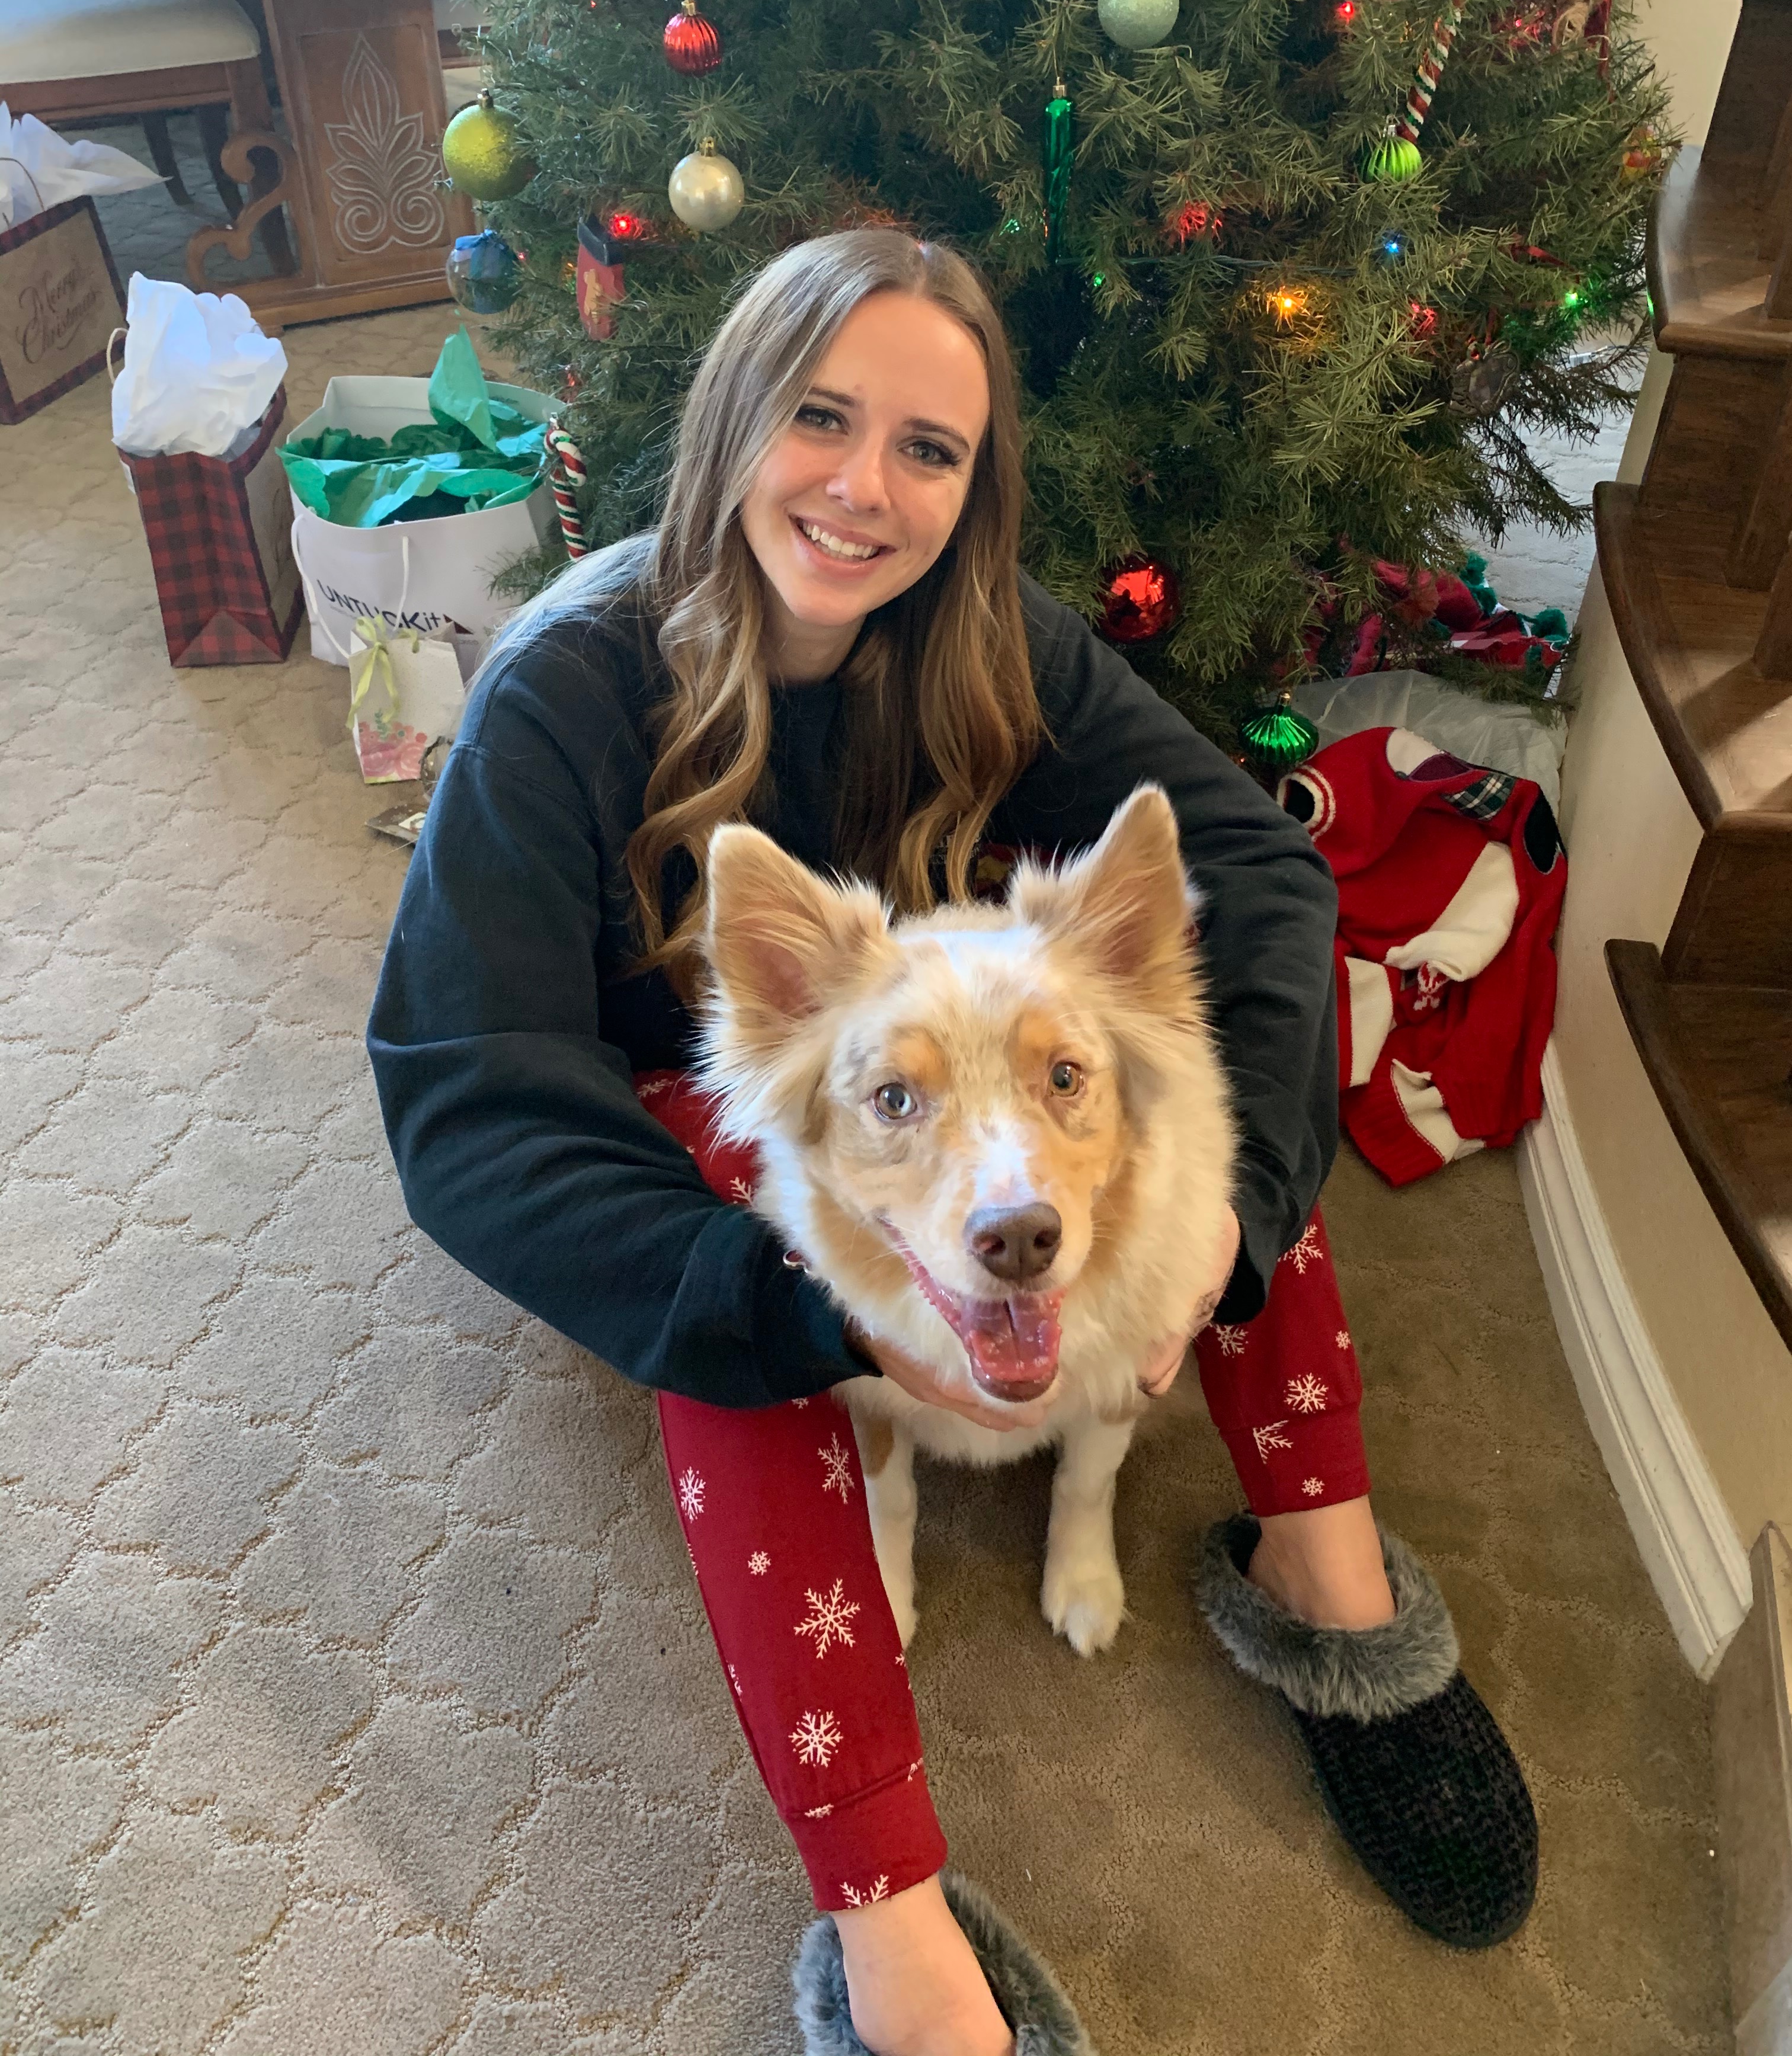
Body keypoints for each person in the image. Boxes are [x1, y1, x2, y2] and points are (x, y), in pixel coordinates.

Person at [368, 230, 1535, 2056]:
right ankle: (889, 1919)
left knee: (1167, 1076)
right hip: (710, 1122)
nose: (866, 487)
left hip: (958, 1087)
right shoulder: (563, 689)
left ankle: (1326, 1570)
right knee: (748, 1303)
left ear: (975, 489)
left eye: (930, 449)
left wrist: (1230, 1219)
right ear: (733, 416)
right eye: (821, 418)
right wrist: (788, 1307)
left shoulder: (998, 640)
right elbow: (470, 1090)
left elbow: (1251, 875)